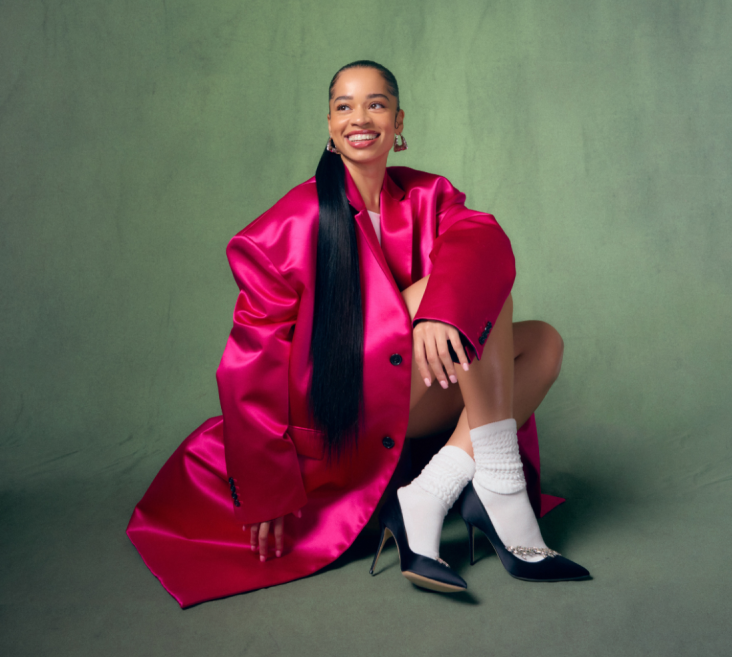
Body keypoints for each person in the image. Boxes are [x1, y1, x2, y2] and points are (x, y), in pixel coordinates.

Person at [126, 61, 589, 607]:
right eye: (344, 107)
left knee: (541, 341)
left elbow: (481, 238)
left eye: (376, 104)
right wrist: (266, 488)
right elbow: (249, 361)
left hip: (404, 394)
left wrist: (443, 309)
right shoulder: (287, 225)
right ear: (329, 124)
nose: (360, 118)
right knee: (464, 297)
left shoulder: (426, 194)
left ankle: (433, 492)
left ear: (398, 121)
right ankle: (497, 496)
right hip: (335, 414)